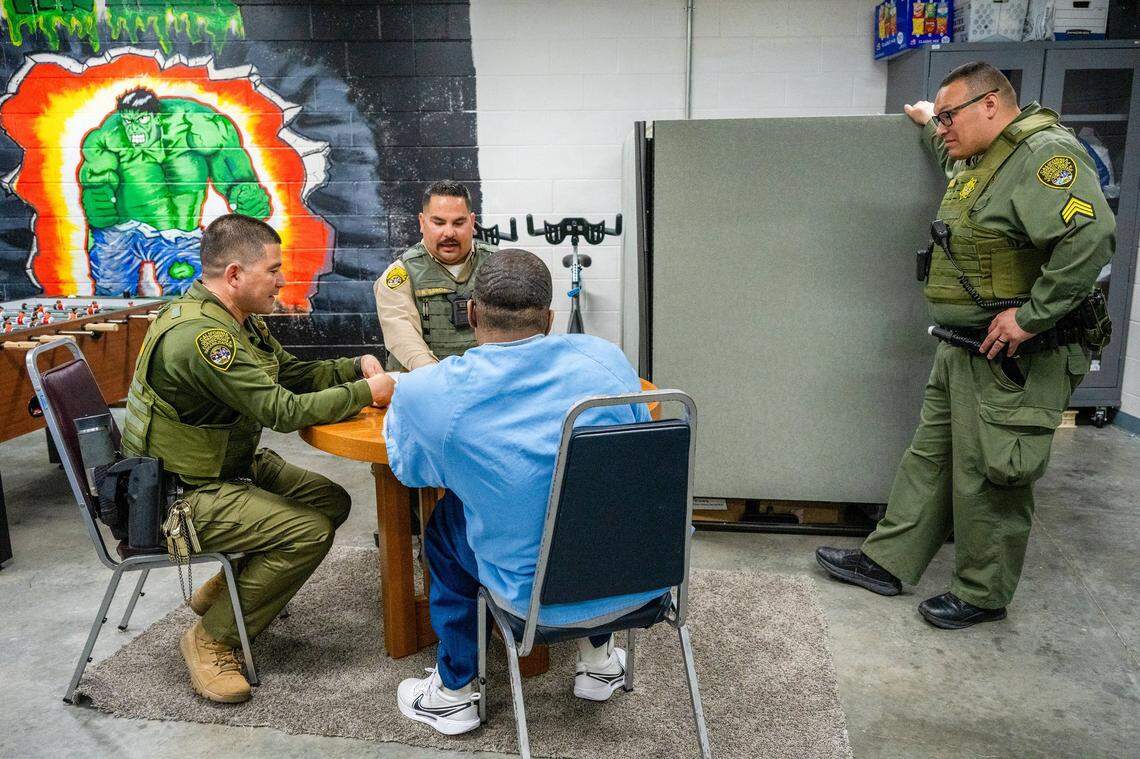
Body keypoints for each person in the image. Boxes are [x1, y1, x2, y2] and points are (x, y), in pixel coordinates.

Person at [816, 62, 1115, 629]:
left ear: (991, 106)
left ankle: (982, 593)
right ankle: (889, 560)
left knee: (991, 473)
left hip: (1017, 355)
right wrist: (932, 119)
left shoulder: (1043, 156)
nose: (943, 130)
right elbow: (954, 162)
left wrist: (1032, 316)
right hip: (963, 345)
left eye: (951, 116)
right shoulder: (980, 157)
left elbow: (1091, 235)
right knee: (930, 459)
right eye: (941, 118)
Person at [383, 249, 661, 735]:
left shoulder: (431, 390)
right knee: (600, 492)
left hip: (531, 598)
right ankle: (598, 659)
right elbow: (635, 455)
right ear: (550, 319)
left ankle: (455, 692)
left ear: (470, 312)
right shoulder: (608, 361)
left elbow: (413, 473)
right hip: (643, 580)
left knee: (448, 524)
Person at [121, 214, 395, 703]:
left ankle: (226, 591)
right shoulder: (205, 338)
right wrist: (364, 391)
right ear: (233, 275)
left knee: (328, 499)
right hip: (181, 495)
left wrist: (351, 367)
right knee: (308, 532)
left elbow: (288, 374)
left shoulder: (233, 321)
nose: (282, 280)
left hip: (226, 466)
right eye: (272, 269)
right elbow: (281, 410)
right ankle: (211, 639)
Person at [79, 87, 271, 296]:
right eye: (128, 123)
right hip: (121, 232)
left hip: (179, 234)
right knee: (112, 293)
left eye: (142, 120)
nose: (134, 129)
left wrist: (244, 192)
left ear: (157, 118)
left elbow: (227, 157)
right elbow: (96, 176)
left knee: (187, 296)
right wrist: (98, 198)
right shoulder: (110, 136)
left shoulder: (195, 125)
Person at [374, 180, 497, 371]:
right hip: (422, 382)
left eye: (459, 222)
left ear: (472, 222)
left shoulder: (498, 266)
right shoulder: (400, 274)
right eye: (438, 222)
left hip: (482, 379)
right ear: (422, 222)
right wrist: (440, 380)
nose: (449, 232)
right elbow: (404, 341)